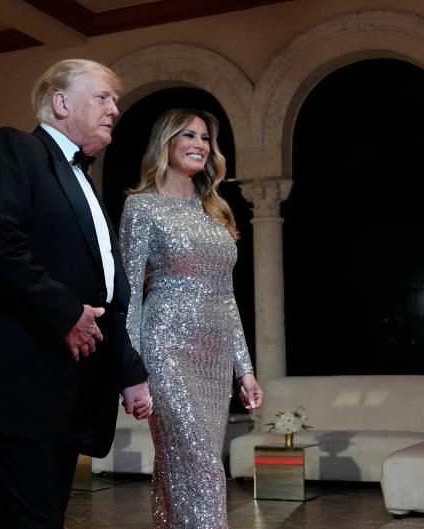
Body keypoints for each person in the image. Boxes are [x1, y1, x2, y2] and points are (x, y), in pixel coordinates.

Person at [0, 59, 152, 529]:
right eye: (102, 97)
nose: (115, 108)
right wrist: (65, 315)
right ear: (60, 103)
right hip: (14, 383)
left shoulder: (85, 183)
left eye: (115, 100)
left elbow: (107, 289)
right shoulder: (13, 148)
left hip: (61, 391)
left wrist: (127, 371)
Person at [119, 108, 263, 528]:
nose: (200, 144)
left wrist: (245, 370)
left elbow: (226, 296)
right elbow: (129, 293)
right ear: (166, 143)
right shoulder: (141, 207)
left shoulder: (214, 210)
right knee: (200, 462)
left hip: (215, 358)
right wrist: (131, 372)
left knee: (185, 467)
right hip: (166, 349)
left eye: (206, 138)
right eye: (189, 135)